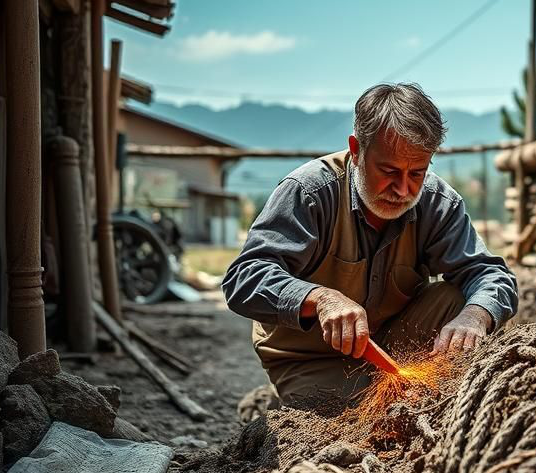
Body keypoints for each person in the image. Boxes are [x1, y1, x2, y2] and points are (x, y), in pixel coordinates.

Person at [222, 83, 518, 410]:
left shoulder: (437, 203)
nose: (403, 190)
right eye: (389, 171)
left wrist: (475, 317)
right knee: (369, 413)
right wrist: (319, 299)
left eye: (417, 173)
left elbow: (490, 273)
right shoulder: (308, 193)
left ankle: (410, 391)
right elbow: (244, 279)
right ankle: (280, 405)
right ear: (357, 150)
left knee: (462, 299)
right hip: (310, 359)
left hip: (393, 346)